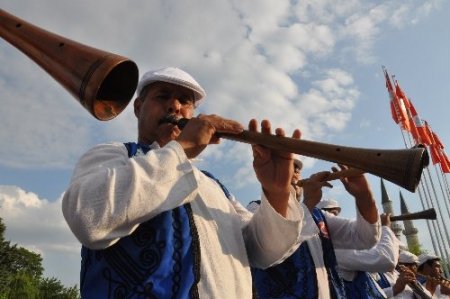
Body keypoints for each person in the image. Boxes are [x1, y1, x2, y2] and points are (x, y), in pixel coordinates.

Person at [62, 67, 305, 298]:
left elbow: (261, 251)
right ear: (138, 107)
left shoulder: (213, 186)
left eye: (185, 101)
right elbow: (89, 218)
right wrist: (184, 147)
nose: (175, 106)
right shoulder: (114, 155)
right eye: (163, 96)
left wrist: (277, 193)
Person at [250, 165, 381, 298]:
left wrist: (364, 197)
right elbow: (267, 247)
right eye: (287, 164)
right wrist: (309, 203)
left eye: (297, 168)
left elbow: (365, 238)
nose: (295, 170)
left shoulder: (319, 215)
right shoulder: (255, 209)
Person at [334, 213, 400, 298]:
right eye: (333, 214)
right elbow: (387, 259)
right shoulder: (336, 249)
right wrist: (385, 227)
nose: (336, 219)